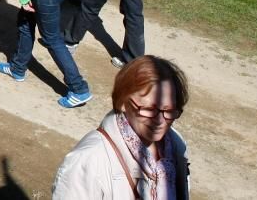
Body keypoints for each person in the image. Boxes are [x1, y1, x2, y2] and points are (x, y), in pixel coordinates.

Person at [52, 56, 190, 199]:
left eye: (169, 110)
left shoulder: (176, 146)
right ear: (122, 102)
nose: (160, 120)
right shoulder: (86, 162)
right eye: (149, 109)